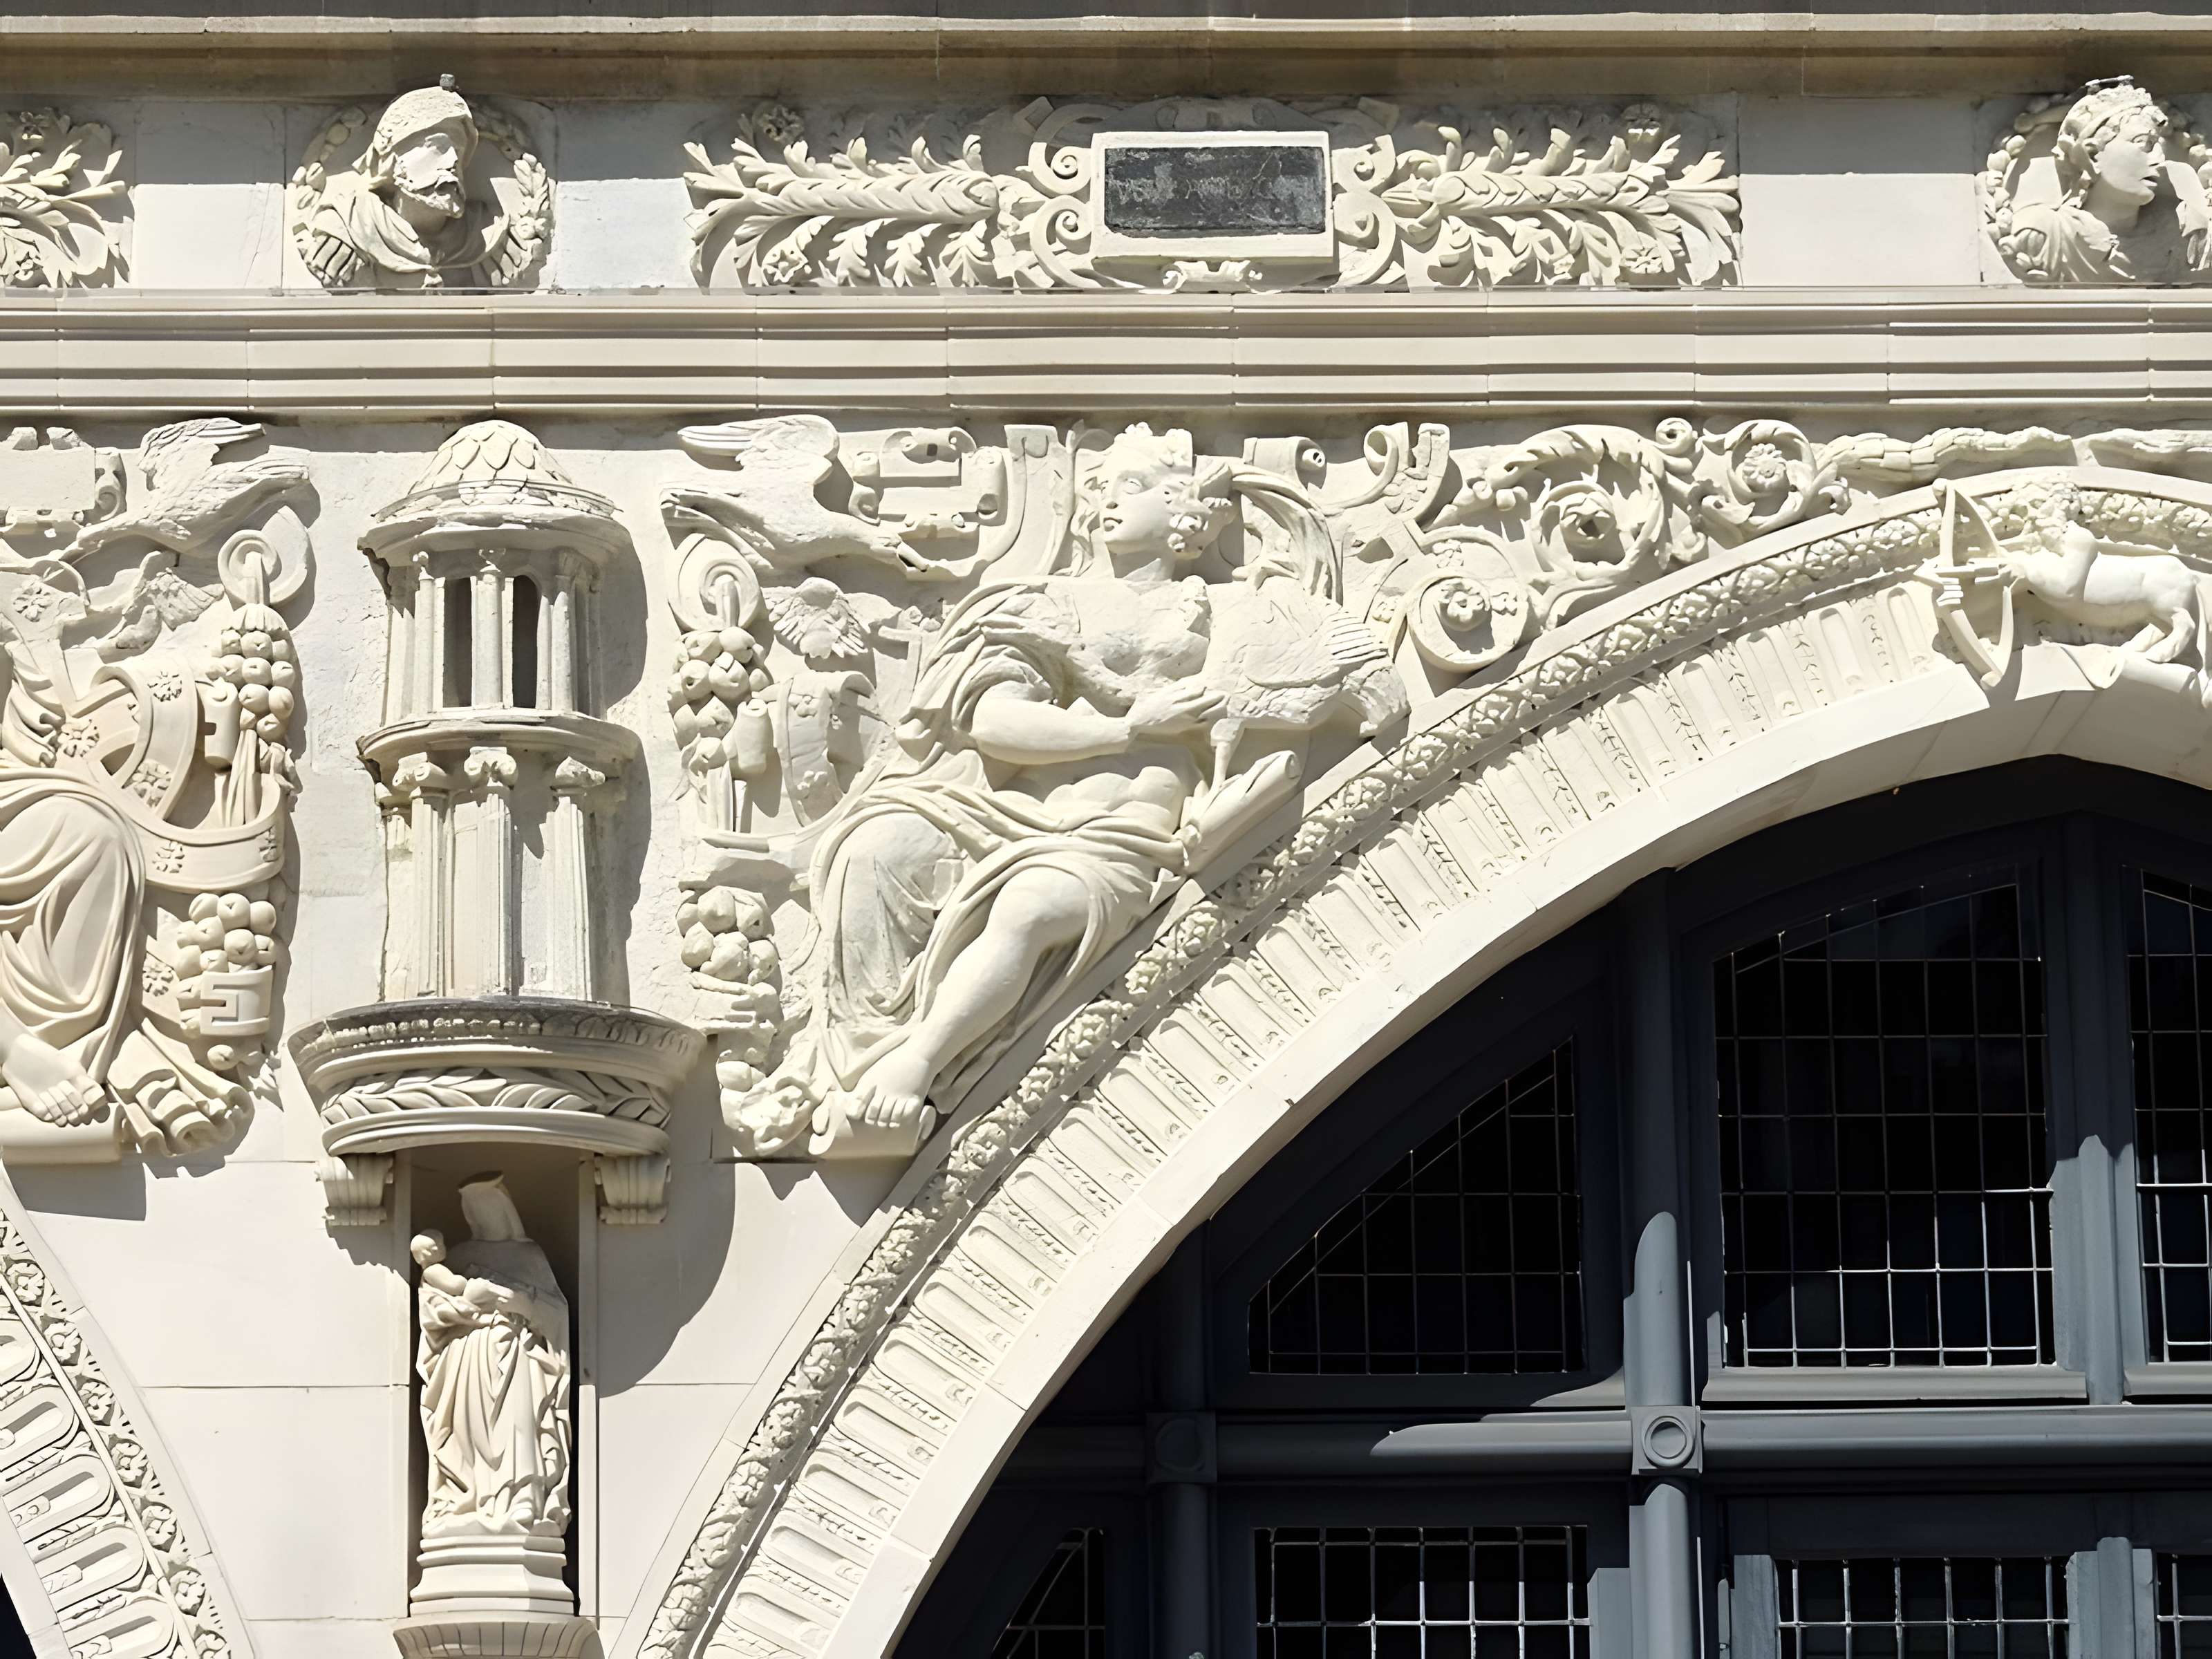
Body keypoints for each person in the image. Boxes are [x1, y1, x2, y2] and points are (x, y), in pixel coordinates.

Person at [751, 424, 1398, 1156]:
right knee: (874, 846)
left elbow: (1298, 699)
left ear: (1183, 507)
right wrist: (1131, 729)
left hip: (1121, 828)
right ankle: (855, 1065)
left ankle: (915, 1061)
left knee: (1032, 906)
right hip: (1005, 808)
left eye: (1130, 486)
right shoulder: (1049, 601)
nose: (1103, 503)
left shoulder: (1233, 608)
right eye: (1099, 487)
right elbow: (990, 719)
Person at [413, 1177, 572, 1539]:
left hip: (519, 1356)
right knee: (470, 1435)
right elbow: (433, 1307)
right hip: (469, 1361)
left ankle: (523, 1500)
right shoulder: (458, 1259)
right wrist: (471, 1304)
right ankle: (475, 1496)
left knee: (518, 1424)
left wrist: (523, 1303)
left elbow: (557, 1312)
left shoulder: (529, 1255)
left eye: (487, 1209)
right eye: (474, 1210)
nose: (480, 1219)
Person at [2004, 79, 2207, 283]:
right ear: (2092, 155)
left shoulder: (2185, 229)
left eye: (2158, 147)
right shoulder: (2043, 235)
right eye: (2143, 143)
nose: (2159, 160)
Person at [303, 81, 499, 288]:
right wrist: (340, 233)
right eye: (436, 147)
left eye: (458, 150)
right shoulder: (352, 223)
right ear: (394, 162)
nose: (453, 162)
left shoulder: (486, 231)